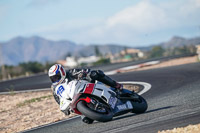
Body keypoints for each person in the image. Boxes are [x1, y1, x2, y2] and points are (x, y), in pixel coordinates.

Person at [48, 64, 123, 123]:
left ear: (62, 72)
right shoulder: (54, 88)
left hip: (86, 85)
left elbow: (86, 71)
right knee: (87, 120)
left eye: (57, 77)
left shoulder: (71, 72)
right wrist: (64, 109)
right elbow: (58, 99)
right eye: (53, 78)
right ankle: (96, 108)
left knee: (96, 73)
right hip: (74, 98)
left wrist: (85, 73)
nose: (55, 79)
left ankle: (115, 84)